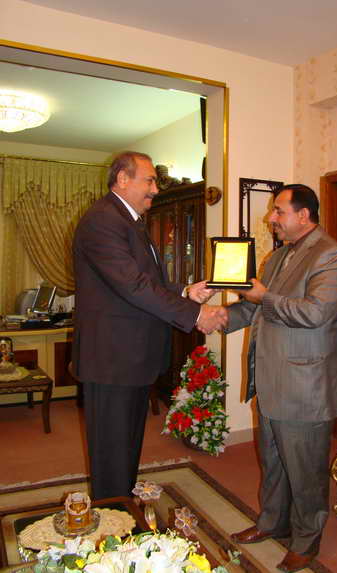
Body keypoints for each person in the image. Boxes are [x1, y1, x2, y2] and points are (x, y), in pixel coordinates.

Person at [72, 151, 226, 499]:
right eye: (150, 180)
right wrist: (196, 315)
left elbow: (148, 282)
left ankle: (123, 506)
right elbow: (133, 286)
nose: (155, 189)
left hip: (130, 358)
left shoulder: (129, 221)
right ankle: (113, 516)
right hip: (113, 360)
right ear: (122, 179)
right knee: (112, 453)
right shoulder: (103, 221)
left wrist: (186, 291)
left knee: (126, 446)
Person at [226, 184, 337, 573]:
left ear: (304, 215)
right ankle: (272, 523)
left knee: (305, 471)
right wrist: (212, 317)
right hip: (270, 379)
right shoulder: (277, 257)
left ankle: (306, 541)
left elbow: (315, 313)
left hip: (305, 387)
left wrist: (262, 297)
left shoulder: (332, 256)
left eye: (279, 211)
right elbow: (255, 310)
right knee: (274, 462)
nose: (271, 218)